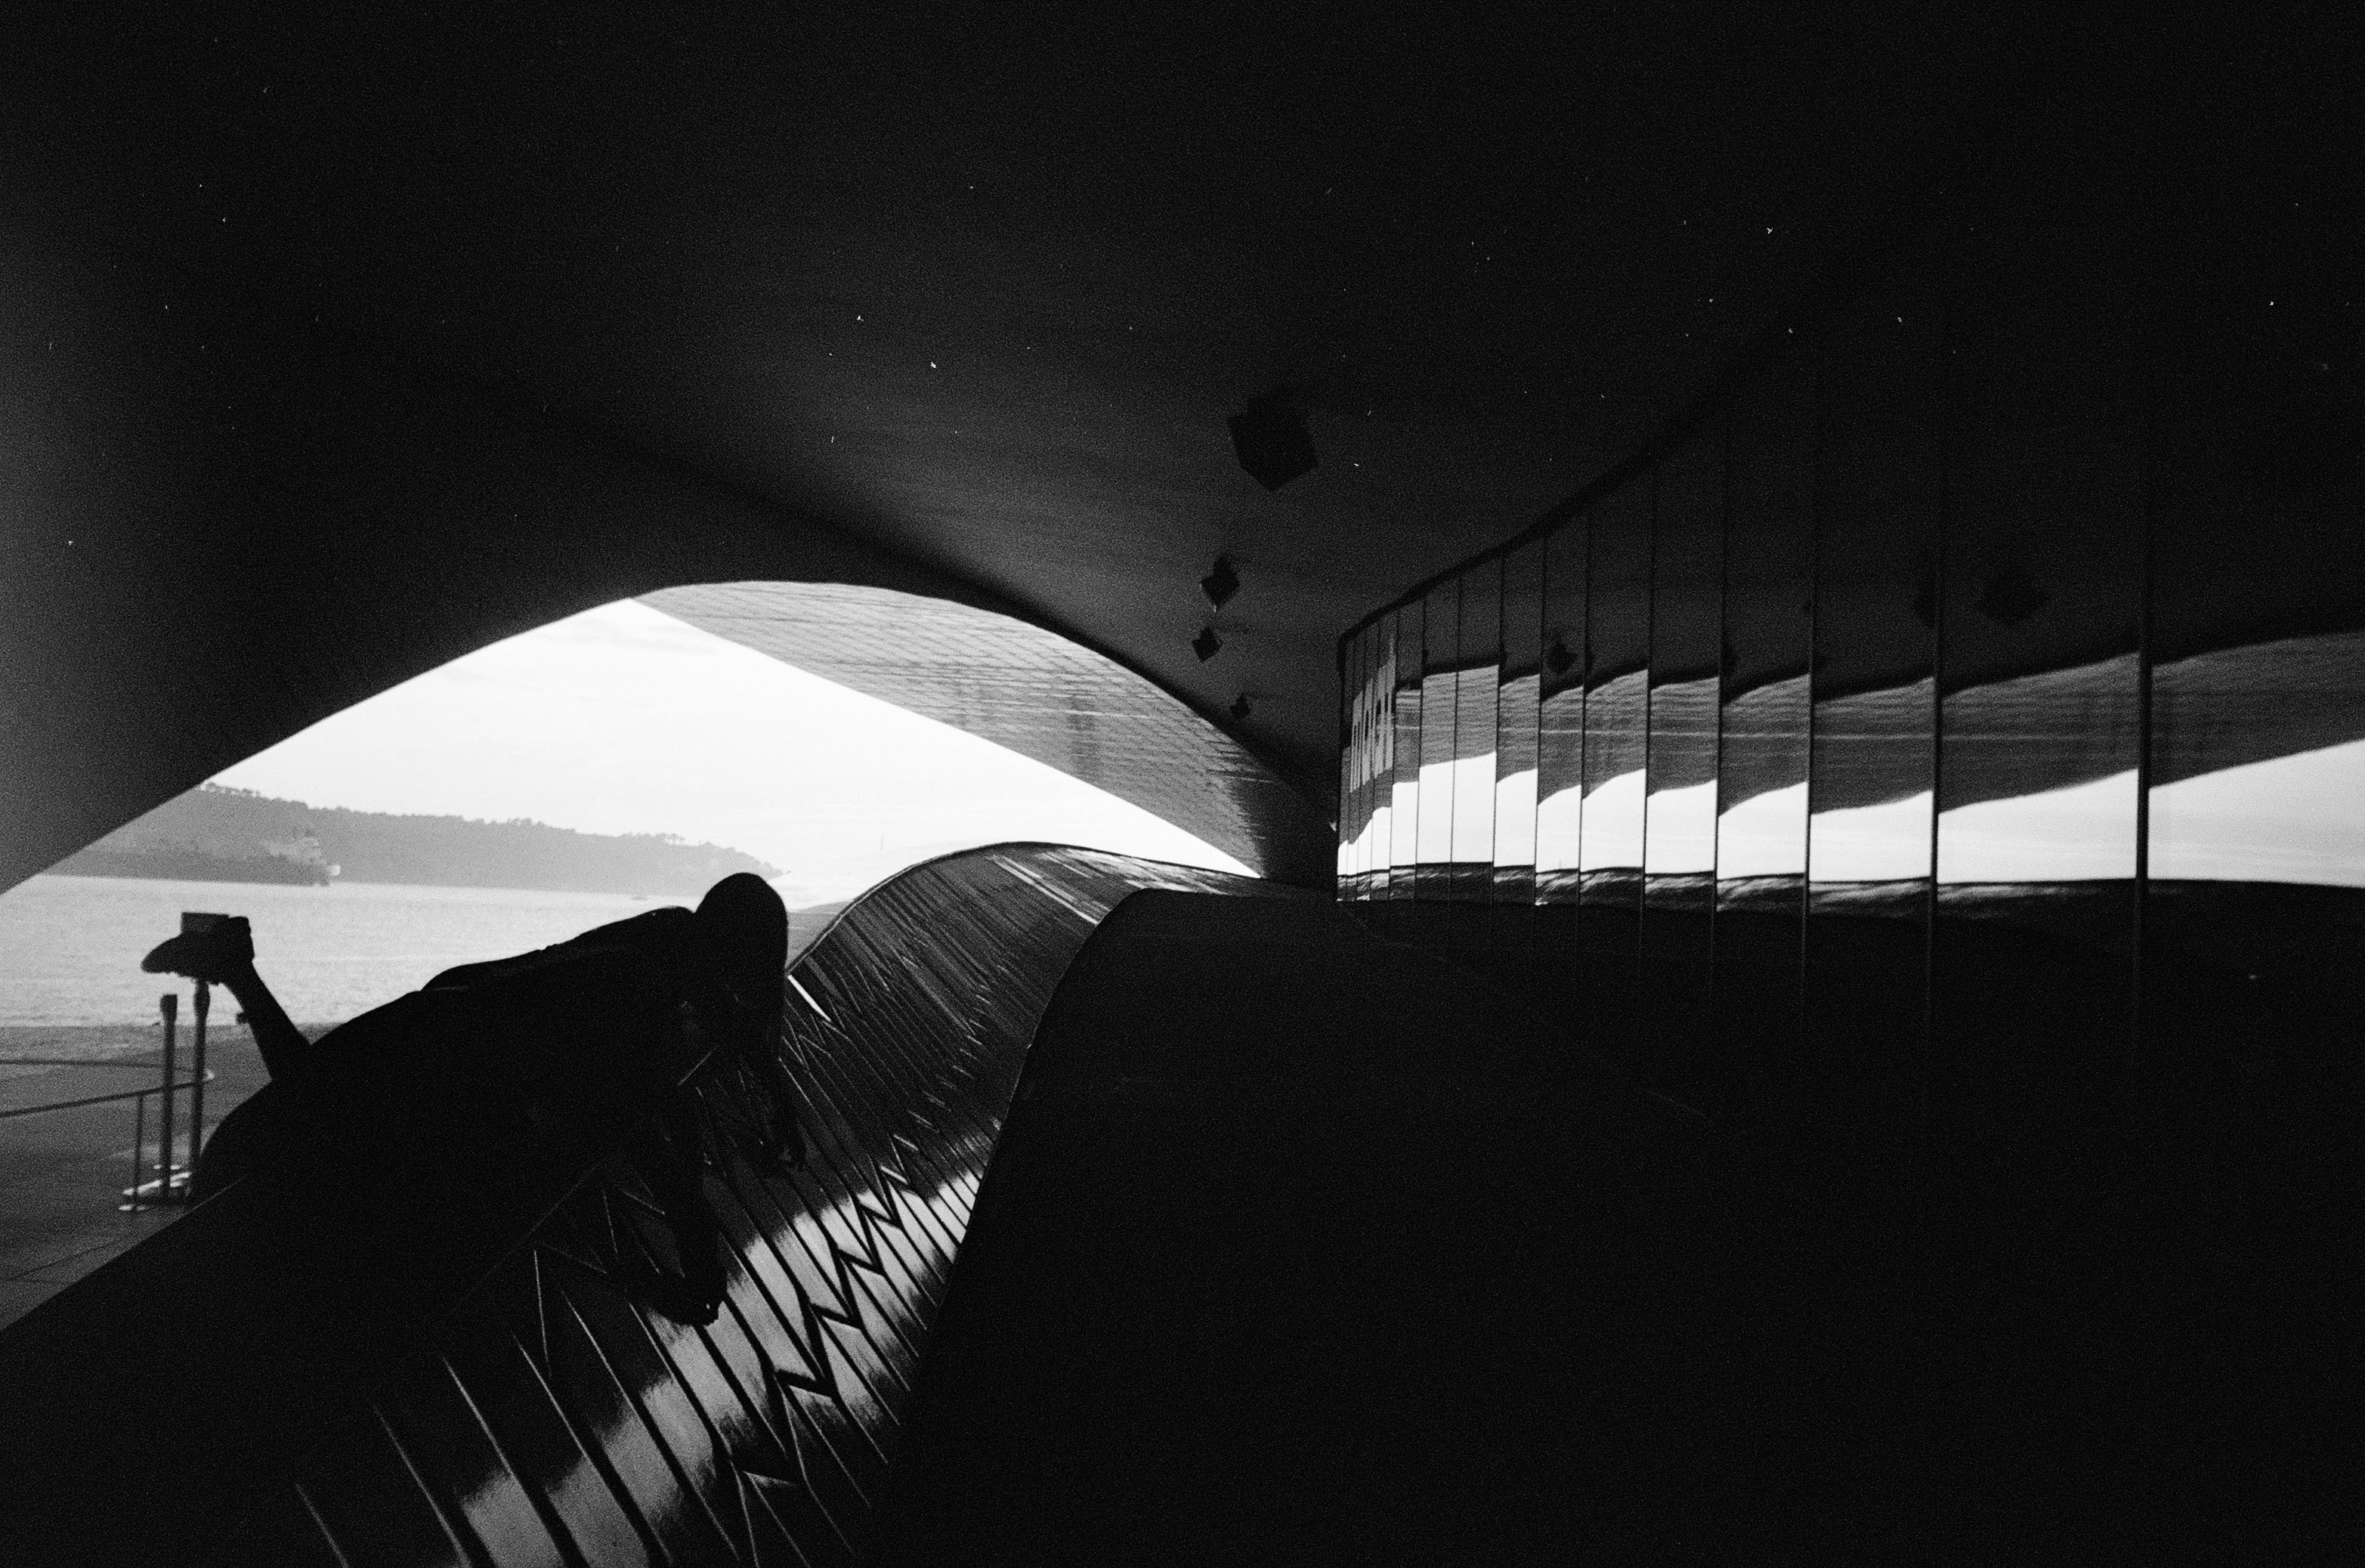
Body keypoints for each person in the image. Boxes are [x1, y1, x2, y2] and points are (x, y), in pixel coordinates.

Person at [142, 874, 803, 1322]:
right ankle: (236, 966)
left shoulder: (664, 943)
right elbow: (635, 1107)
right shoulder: (643, 984)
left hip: (446, 1022)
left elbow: (707, 1043)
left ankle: (236, 966)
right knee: (321, 1102)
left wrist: (775, 1096)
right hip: (445, 1054)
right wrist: (694, 1238)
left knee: (316, 1088)